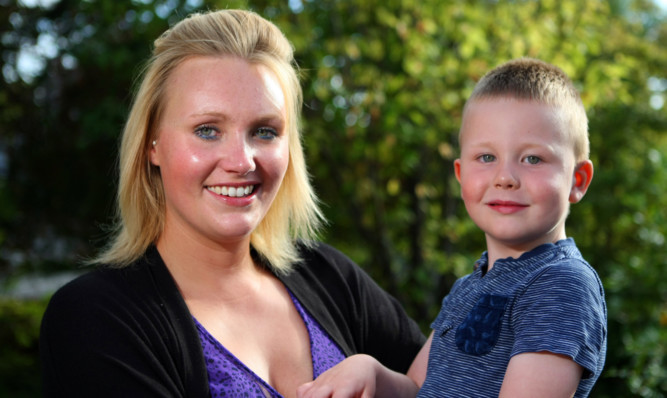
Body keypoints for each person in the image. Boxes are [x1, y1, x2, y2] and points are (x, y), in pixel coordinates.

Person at [39, 9, 425, 397]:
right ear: (152, 144)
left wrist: (382, 379)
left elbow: (453, 379)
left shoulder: (329, 275)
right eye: (207, 131)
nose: (242, 162)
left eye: (264, 131)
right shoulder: (94, 317)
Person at [297, 58, 607, 398]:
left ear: (577, 181)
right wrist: (370, 370)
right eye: (486, 158)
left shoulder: (560, 284)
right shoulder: (468, 287)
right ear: (461, 175)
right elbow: (417, 388)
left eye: (532, 158)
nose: (505, 178)